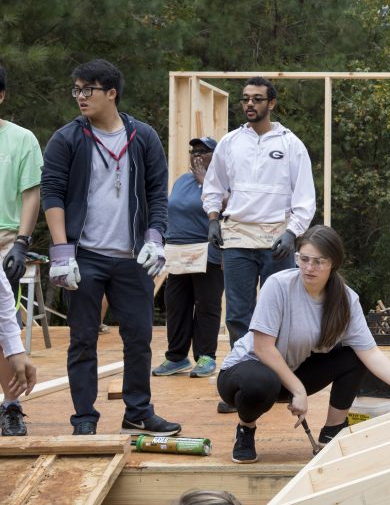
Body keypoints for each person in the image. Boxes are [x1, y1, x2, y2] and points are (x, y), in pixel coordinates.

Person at [40, 59, 179, 436]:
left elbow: (156, 193)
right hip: (84, 256)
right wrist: (61, 250)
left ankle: (138, 412)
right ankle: (84, 418)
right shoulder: (67, 138)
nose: (80, 97)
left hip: (131, 256)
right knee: (83, 338)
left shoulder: (143, 136)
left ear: (111, 93)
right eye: (77, 90)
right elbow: (51, 193)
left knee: (139, 337)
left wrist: (154, 235)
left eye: (89, 90)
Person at [216, 225, 390, 464]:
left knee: (353, 356)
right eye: (303, 259)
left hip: (290, 373)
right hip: (246, 372)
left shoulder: (346, 299)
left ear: (333, 264)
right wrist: (298, 390)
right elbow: (263, 347)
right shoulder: (278, 286)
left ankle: (332, 431)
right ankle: (246, 429)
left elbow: (370, 353)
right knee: (261, 382)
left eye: (319, 261)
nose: (309, 267)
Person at [202, 77, 315, 410]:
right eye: (245, 99)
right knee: (238, 313)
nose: (250, 104)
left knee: (277, 314)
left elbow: (304, 195)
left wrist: (293, 232)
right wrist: (212, 218)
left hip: (277, 237)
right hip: (237, 235)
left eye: (257, 99)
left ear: (272, 103)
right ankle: (241, 381)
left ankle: (274, 382)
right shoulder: (230, 142)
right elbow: (214, 185)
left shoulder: (291, 144)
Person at [152, 137, 224, 379]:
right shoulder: (182, 180)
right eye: (193, 150)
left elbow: (228, 207)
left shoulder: (222, 180)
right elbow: (172, 210)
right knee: (176, 304)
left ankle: (206, 356)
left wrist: (206, 181)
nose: (197, 155)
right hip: (178, 252)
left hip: (208, 252)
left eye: (203, 151)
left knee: (206, 305)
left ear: (215, 155)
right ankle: (176, 357)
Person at [0, 64, 41, 435]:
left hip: (4, 238)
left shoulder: (21, 139)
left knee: (4, 324)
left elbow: (31, 193)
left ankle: (11, 406)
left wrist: (21, 242)